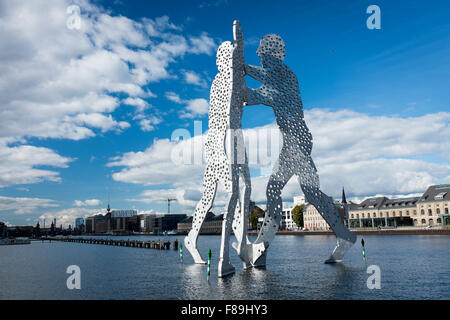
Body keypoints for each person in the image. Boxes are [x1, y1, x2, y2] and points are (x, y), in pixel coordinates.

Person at [242, 34, 356, 266]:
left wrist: (239, 71)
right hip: (298, 140)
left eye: (261, 50)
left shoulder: (282, 76)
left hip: (296, 142)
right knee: (312, 193)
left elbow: (254, 93)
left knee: (273, 189)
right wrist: (242, 70)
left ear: (272, 53)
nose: (258, 54)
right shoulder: (280, 77)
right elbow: (258, 86)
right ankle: (345, 236)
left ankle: (261, 250)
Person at [184, 21, 251, 277]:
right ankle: (226, 256)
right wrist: (241, 47)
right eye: (229, 58)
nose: (232, 63)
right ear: (223, 62)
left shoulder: (236, 83)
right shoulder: (220, 83)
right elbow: (227, 107)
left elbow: (250, 95)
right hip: (219, 143)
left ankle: (194, 238)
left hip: (235, 141)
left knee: (231, 192)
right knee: (231, 192)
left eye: (233, 58)